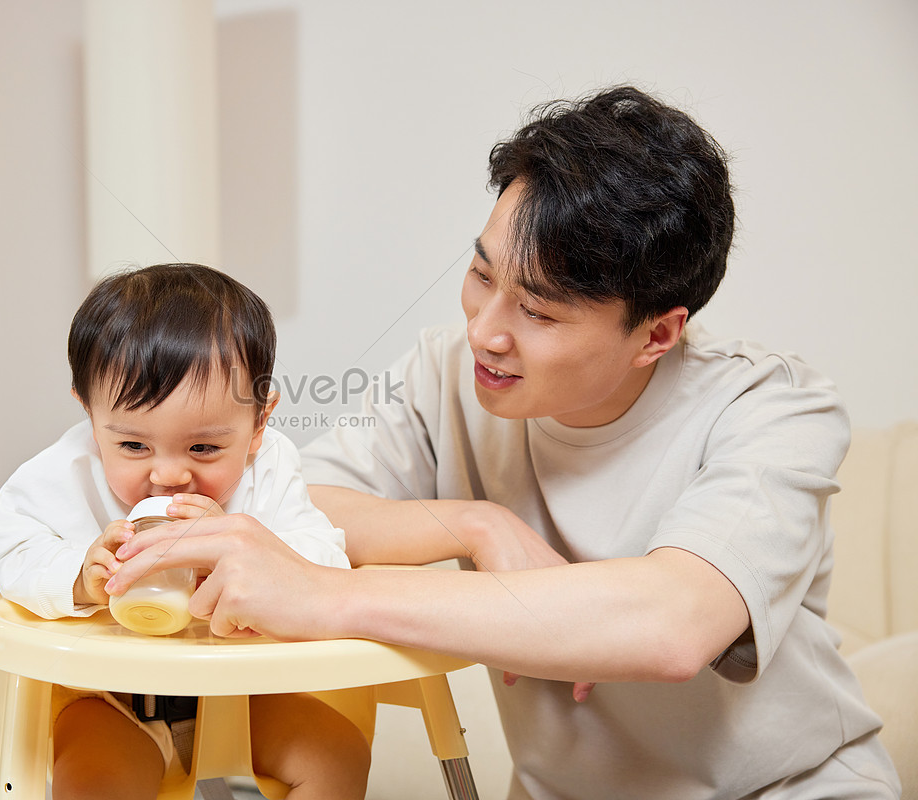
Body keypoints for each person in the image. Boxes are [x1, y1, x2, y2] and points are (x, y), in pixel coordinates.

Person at [108, 88, 903, 799]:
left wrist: (328, 597)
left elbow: (673, 625)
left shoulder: (771, 406)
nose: (485, 332)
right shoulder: (445, 371)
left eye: (541, 313)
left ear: (656, 334)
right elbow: (299, 505)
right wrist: (479, 525)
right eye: (483, 275)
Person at [0, 263, 370, 800]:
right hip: (108, 701)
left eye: (203, 448)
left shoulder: (270, 469)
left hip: (240, 695)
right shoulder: (61, 474)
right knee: (97, 781)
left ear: (258, 423)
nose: (168, 474)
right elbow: (8, 556)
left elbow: (325, 562)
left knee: (338, 755)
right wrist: (79, 574)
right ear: (91, 417)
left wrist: (245, 552)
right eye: (134, 446)